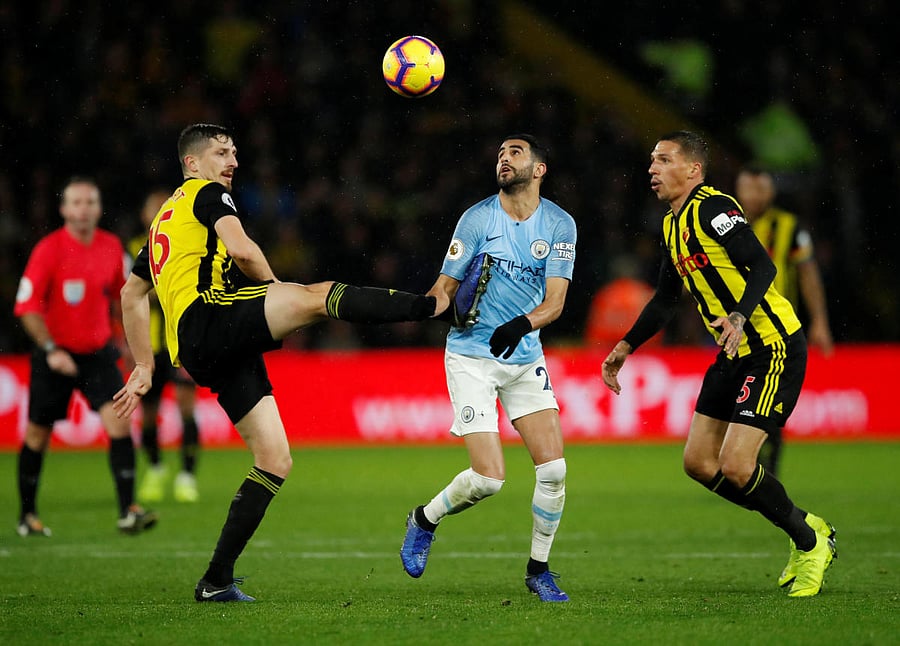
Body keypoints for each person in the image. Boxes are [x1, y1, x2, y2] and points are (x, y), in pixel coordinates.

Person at [113, 123, 443, 603]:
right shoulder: (204, 194)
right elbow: (244, 250)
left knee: (274, 460)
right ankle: (430, 307)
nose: (233, 161)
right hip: (211, 318)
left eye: (235, 152)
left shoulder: (164, 219)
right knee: (317, 296)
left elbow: (131, 293)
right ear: (192, 163)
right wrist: (276, 290)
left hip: (203, 349)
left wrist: (144, 365)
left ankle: (216, 580)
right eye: (222, 152)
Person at [601, 131, 836, 598]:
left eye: (664, 160)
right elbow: (667, 299)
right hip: (732, 352)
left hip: (771, 346)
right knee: (698, 463)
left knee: (735, 463)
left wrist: (739, 313)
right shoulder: (671, 224)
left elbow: (763, 267)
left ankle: (810, 543)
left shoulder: (714, 208)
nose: (652, 168)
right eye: (651, 160)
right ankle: (808, 528)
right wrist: (626, 345)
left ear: (694, 170)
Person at [399, 134, 577, 602]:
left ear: (538, 169)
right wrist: (421, 307)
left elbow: (555, 303)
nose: (504, 158)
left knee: (554, 470)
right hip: (472, 357)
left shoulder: (559, 224)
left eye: (515, 153)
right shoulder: (478, 218)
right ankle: (423, 518)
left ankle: (539, 570)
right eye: (500, 153)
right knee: (489, 480)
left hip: (523, 357)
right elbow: (445, 285)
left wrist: (519, 325)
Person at [14, 176, 158, 537]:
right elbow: (27, 307)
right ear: (63, 209)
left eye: (90, 202)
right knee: (37, 435)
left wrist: (129, 343)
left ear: (98, 208)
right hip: (55, 355)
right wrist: (50, 349)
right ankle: (27, 516)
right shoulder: (48, 250)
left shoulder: (112, 248)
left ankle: (129, 510)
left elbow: (127, 297)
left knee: (120, 423)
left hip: (97, 354)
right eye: (76, 202)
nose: (83, 209)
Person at [735, 165, 834, 475]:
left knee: (768, 401)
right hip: (734, 325)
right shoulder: (724, 224)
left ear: (772, 192)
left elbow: (807, 273)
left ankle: (767, 465)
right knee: (735, 396)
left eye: (760, 189)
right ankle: (742, 462)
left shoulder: (789, 227)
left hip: (775, 328)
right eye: (748, 188)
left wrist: (819, 320)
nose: (753, 196)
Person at [127, 190, 201, 503]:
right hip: (147, 346)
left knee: (187, 409)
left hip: (182, 343)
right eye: (153, 208)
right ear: (144, 215)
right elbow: (129, 296)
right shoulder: (131, 249)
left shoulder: (187, 244)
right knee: (148, 413)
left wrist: (149, 291)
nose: (158, 212)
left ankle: (187, 476)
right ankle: (156, 469)